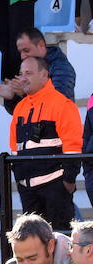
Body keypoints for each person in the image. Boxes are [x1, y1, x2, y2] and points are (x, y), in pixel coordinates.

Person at [8, 56, 81, 229]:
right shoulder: (20, 107)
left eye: (29, 73)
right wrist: (20, 181)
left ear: (44, 75)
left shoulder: (62, 104)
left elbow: (73, 146)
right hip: (28, 191)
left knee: (60, 244)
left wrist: (67, 182)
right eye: (21, 73)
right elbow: (14, 149)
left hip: (56, 188)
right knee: (34, 246)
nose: (23, 77)